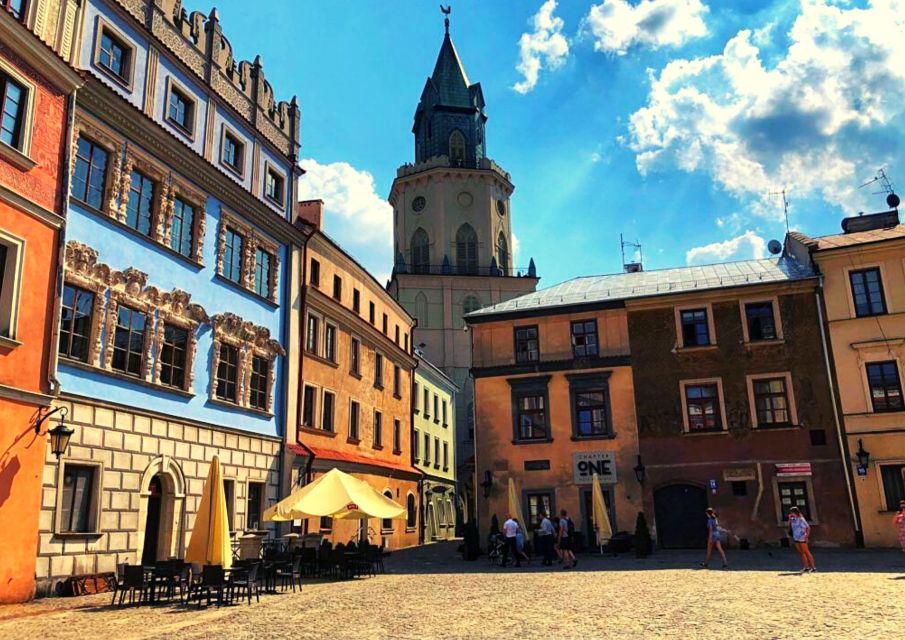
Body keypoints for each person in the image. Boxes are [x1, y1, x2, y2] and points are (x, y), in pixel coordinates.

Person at [788, 506, 816, 573]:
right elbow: (789, 525)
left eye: (792, 512)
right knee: (801, 552)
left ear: (795, 512)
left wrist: (806, 536)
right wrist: (789, 518)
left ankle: (813, 567)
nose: (791, 514)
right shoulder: (793, 519)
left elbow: (808, 527)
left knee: (806, 551)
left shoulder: (801, 519)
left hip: (802, 537)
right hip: (796, 537)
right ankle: (805, 567)